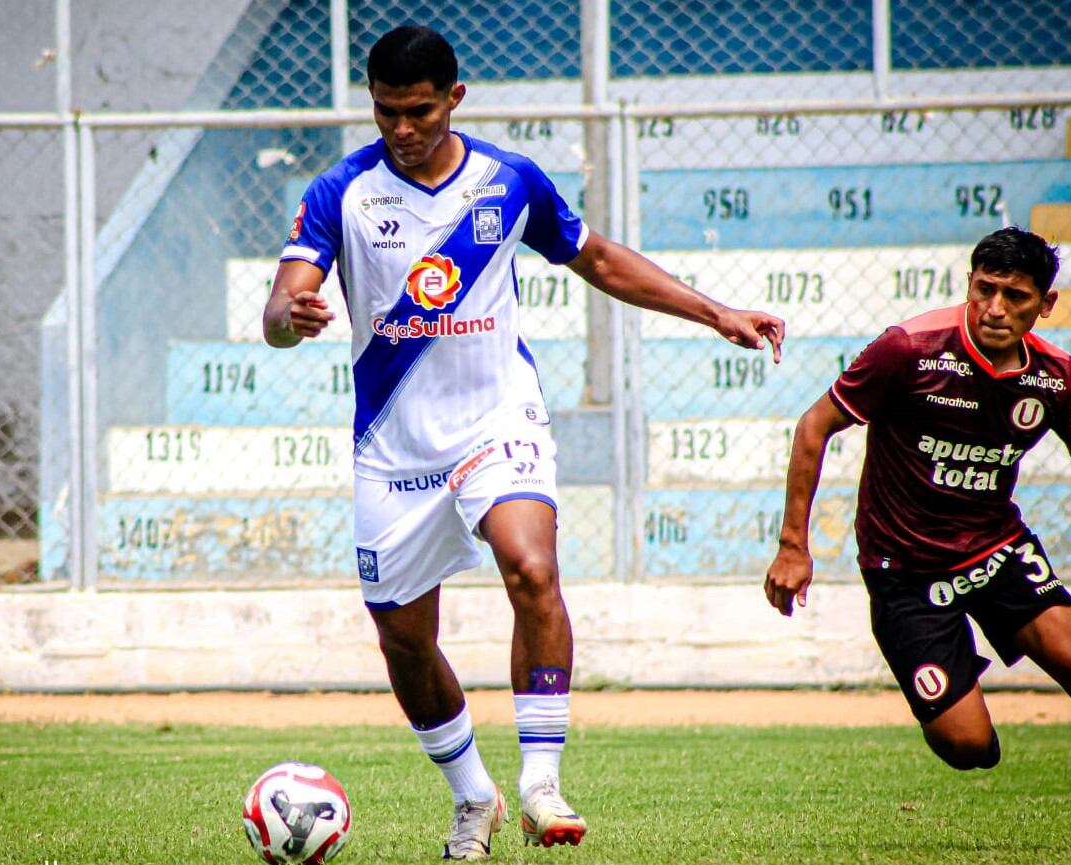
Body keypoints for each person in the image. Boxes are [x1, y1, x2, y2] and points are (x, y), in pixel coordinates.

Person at [264, 25, 784, 860]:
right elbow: (281, 306)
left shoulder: (508, 182)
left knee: (532, 566)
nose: (402, 128)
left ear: (455, 99)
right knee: (404, 637)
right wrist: (293, 316)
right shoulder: (341, 191)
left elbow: (601, 260)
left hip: (497, 417)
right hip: (394, 448)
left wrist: (716, 310)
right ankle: (476, 797)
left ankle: (541, 781)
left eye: (420, 111)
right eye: (387, 112)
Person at [765, 226, 1071, 770]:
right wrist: (792, 547)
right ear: (969, 285)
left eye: (1014, 297)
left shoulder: (1057, 378)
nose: (994, 309)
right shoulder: (910, 348)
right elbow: (814, 426)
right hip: (904, 571)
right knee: (968, 747)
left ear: (1045, 304)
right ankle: (960, 701)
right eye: (984, 290)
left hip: (997, 551)